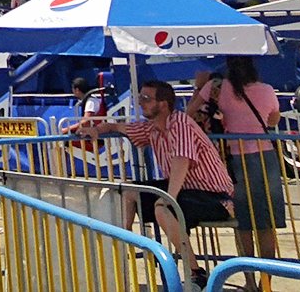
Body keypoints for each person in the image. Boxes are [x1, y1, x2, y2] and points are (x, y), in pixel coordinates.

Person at [77, 79, 232, 289]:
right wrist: (98, 130)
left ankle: (197, 273)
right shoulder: (153, 128)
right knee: (129, 191)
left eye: (146, 98)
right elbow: (118, 127)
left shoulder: (181, 123)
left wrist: (167, 198)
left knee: (162, 208)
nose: (140, 102)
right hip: (187, 189)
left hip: (216, 197)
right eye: (140, 97)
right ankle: (121, 252)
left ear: (163, 104)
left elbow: (181, 161)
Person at [183, 57, 284, 266]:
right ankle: (266, 283)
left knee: (242, 222)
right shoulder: (266, 89)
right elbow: (273, 120)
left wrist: (199, 86)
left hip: (233, 158)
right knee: (266, 223)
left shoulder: (217, 87)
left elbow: (188, 115)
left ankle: (248, 277)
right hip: (265, 157)